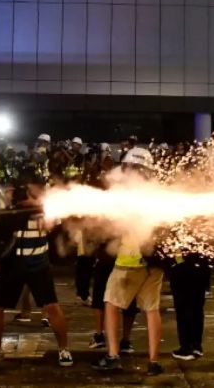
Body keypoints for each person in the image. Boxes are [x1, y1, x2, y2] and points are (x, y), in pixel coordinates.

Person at [0, 171, 73, 367]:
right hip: (11, 263)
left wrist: (35, 207)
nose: (31, 194)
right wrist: (7, 201)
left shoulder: (46, 207)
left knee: (51, 307)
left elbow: (50, 225)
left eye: (35, 190)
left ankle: (64, 350)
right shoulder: (7, 207)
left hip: (38, 263)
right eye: (27, 190)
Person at [93, 147, 164, 376]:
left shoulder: (124, 193)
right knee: (152, 310)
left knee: (111, 305)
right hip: (154, 262)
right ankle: (153, 362)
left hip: (129, 260)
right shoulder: (157, 192)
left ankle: (113, 356)